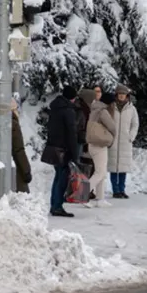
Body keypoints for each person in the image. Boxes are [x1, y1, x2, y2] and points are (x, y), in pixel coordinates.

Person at [43, 86, 82, 217]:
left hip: (54, 148)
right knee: (62, 178)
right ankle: (57, 206)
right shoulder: (68, 111)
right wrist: (74, 153)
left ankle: (54, 204)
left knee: (58, 176)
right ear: (72, 98)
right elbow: (72, 133)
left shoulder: (54, 109)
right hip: (64, 149)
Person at [86, 90, 116, 207]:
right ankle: (82, 194)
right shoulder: (103, 111)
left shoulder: (94, 108)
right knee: (100, 172)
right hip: (99, 144)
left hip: (92, 143)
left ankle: (100, 198)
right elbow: (112, 126)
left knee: (101, 171)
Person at [109, 85, 139, 198]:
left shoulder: (132, 108)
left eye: (123, 94)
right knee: (113, 167)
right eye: (119, 94)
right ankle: (115, 190)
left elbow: (135, 124)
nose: (121, 96)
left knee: (123, 168)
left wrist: (131, 136)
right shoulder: (111, 107)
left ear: (127, 95)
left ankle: (122, 189)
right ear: (116, 95)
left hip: (125, 142)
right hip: (113, 141)